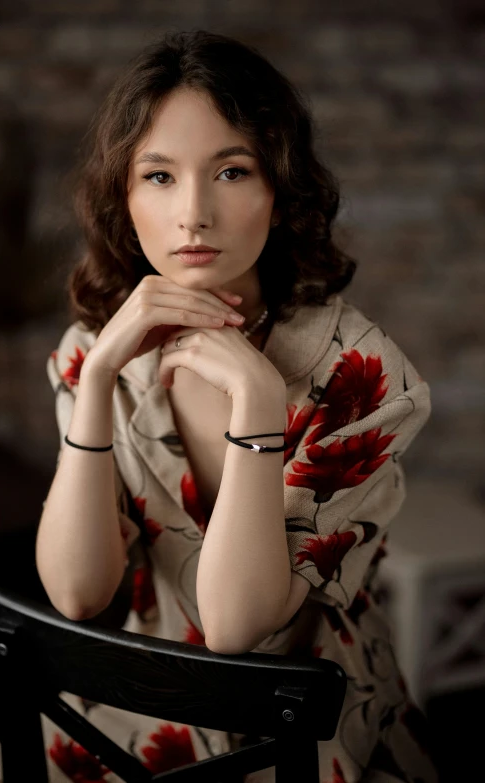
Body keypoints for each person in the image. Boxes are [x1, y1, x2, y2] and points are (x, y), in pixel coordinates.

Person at [34, 29, 438, 783]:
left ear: (281, 191)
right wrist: (94, 383)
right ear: (122, 199)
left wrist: (257, 398)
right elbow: (77, 591)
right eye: (158, 176)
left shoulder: (362, 376)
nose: (193, 213)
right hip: (136, 704)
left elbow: (234, 627)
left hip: (306, 725)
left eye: (230, 170)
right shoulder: (95, 349)